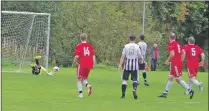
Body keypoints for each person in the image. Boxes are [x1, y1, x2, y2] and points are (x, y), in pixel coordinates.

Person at [158, 33, 194, 99]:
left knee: (178, 80)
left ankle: (190, 90)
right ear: (175, 37)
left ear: (169, 37)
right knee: (170, 77)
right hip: (176, 63)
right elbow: (183, 52)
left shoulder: (171, 44)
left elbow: (172, 54)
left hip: (176, 64)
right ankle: (165, 93)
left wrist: (167, 60)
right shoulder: (178, 44)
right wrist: (181, 60)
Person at [118, 35, 142, 99]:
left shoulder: (126, 46)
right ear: (135, 39)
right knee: (135, 79)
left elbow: (123, 56)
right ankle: (134, 89)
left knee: (125, 80)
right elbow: (140, 56)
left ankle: (123, 95)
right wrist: (140, 61)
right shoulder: (137, 46)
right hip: (134, 66)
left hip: (127, 65)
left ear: (129, 39)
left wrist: (120, 65)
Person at [73, 33, 96, 98]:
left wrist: (74, 62)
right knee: (83, 78)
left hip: (82, 64)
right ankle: (88, 86)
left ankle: (80, 94)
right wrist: (93, 64)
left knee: (79, 79)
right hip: (89, 64)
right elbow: (93, 56)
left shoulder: (79, 46)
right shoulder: (90, 46)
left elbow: (77, 56)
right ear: (86, 38)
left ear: (80, 38)